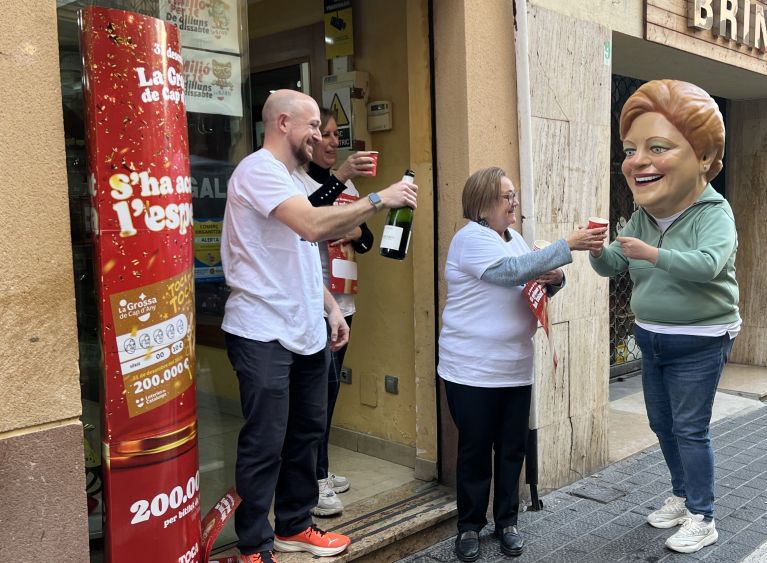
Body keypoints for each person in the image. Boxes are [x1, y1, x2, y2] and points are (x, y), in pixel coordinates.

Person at [221, 89, 417, 563]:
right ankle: (253, 544)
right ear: (283, 122)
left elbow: (302, 252)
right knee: (266, 441)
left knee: (307, 433)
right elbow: (312, 226)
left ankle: (294, 525)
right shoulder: (258, 170)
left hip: (306, 327)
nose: (319, 135)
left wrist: (330, 307)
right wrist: (378, 198)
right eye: (313, 125)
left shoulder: (292, 177)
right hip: (261, 331)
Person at [588, 79, 739, 554]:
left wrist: (653, 254)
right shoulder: (641, 215)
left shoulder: (715, 212)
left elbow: (708, 266)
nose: (638, 161)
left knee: (690, 428)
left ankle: (704, 515)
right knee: (661, 423)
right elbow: (614, 264)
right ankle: (681, 495)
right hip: (650, 337)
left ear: (705, 160)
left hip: (700, 339)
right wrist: (596, 250)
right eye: (631, 149)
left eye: (658, 147)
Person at [438, 167, 606, 562]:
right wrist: (569, 243)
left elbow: (528, 280)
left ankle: (507, 522)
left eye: (514, 195)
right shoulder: (470, 240)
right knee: (476, 451)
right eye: (506, 196)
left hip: (514, 366)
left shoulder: (513, 239)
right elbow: (510, 273)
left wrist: (556, 277)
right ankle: (469, 527)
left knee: (512, 449)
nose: (514, 203)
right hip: (472, 370)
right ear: (482, 203)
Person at [292, 107, 375, 517]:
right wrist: (341, 175)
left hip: (345, 304)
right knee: (316, 400)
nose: (330, 141)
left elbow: (367, 238)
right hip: (314, 304)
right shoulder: (301, 185)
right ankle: (315, 480)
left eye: (334, 134)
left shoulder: (346, 190)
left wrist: (356, 229)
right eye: (323, 133)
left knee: (330, 393)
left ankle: (320, 470)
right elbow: (306, 218)